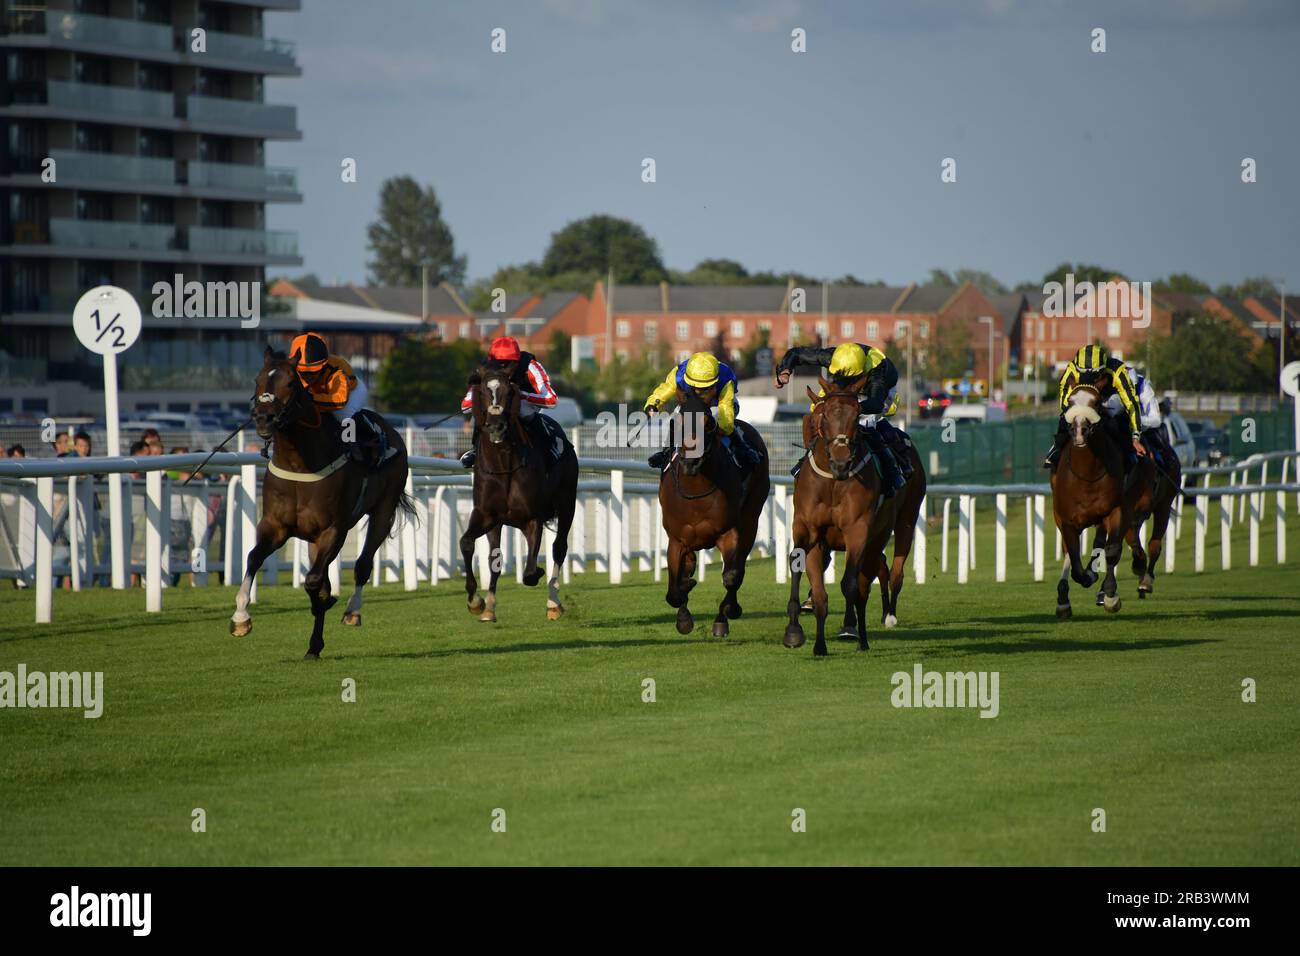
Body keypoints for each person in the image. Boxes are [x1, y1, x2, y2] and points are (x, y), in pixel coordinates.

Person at [775, 341, 911, 496]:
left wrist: (850, 410)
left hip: (879, 390)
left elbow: (876, 404)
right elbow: (796, 353)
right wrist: (784, 371)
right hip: (844, 388)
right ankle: (807, 458)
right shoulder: (831, 356)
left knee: (865, 424)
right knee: (819, 414)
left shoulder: (877, 370)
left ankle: (893, 471)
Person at [642, 352, 761, 473]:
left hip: (719, 404)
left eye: (705, 388)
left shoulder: (725, 378)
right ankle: (666, 452)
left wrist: (718, 426)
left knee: (715, 415)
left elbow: (725, 413)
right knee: (676, 416)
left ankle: (742, 448)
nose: (699, 391)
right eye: (695, 387)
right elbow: (664, 390)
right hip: (692, 404)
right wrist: (653, 405)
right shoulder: (679, 373)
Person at [459, 336, 560, 469]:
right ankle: (476, 449)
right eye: (498, 363)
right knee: (481, 410)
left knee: (523, 411)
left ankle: (547, 447)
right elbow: (465, 406)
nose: (503, 368)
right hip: (497, 404)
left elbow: (551, 400)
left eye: (507, 363)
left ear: (516, 361)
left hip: (524, 403)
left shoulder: (531, 366)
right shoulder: (484, 369)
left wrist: (522, 395)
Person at [1043, 345, 1145, 471]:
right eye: (1084, 374)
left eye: (1094, 375)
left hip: (1110, 400)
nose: (1089, 379)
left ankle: (1128, 453)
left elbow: (1131, 403)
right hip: (1084, 399)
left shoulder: (1117, 369)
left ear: (1103, 368)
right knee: (1065, 417)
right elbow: (1065, 398)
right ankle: (1056, 448)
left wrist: (1135, 437)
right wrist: (1070, 414)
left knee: (1118, 419)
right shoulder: (1071, 369)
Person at [289, 331, 382, 467]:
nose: (308, 376)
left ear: (324, 364)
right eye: (303, 372)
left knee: (343, 414)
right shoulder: (291, 370)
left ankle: (368, 438)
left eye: (313, 371)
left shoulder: (337, 368)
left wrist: (310, 398)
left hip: (352, 392)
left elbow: (339, 401)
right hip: (320, 395)